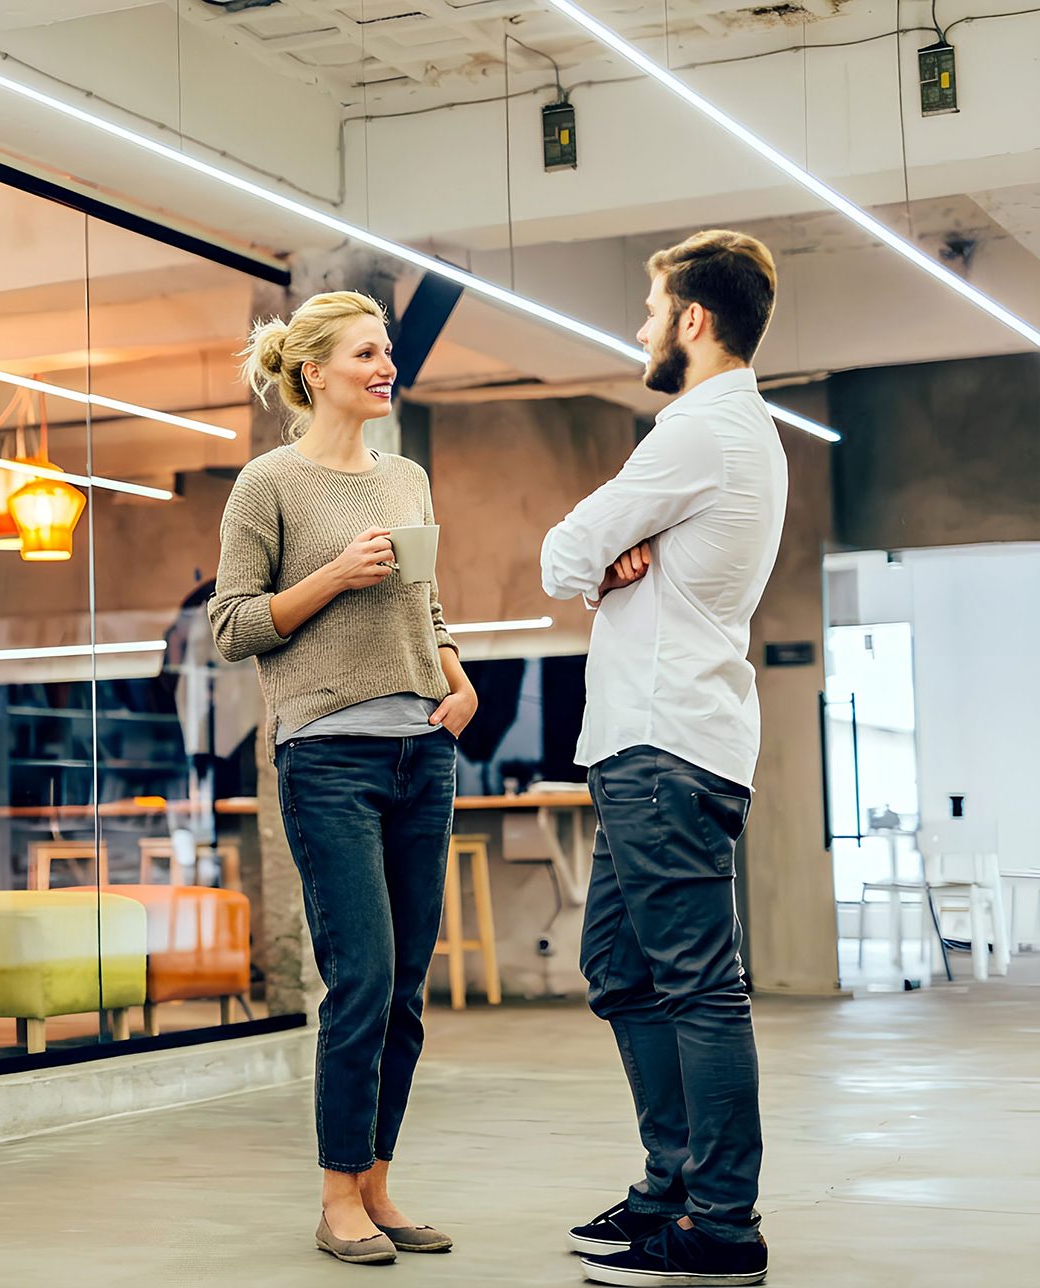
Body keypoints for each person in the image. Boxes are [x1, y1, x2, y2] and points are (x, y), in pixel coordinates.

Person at [208, 290, 477, 1266]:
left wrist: (458, 675)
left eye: (388, 352)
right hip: (327, 755)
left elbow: (427, 603)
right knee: (359, 979)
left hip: (424, 748)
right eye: (367, 352)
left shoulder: (406, 477)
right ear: (314, 371)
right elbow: (231, 626)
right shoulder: (268, 485)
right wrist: (331, 577)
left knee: (406, 987)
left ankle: (377, 1181)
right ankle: (334, 1199)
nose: (385, 366)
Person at [541, 230, 788, 1287]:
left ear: (693, 319)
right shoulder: (728, 433)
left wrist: (599, 558)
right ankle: (671, 1185)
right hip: (663, 744)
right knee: (621, 967)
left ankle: (719, 1224)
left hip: (662, 746)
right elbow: (592, 558)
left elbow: (559, 553)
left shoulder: (696, 431)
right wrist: (612, 561)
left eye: (650, 310)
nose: (642, 329)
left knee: (696, 986)